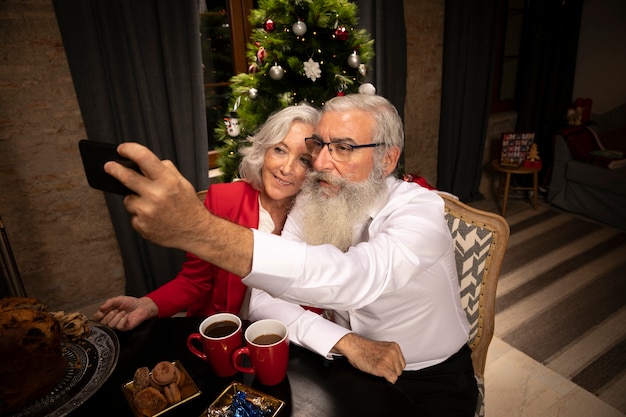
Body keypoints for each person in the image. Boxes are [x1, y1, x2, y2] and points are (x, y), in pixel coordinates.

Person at [105, 94, 478, 416]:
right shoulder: (316, 201)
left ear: (386, 159)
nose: (318, 164)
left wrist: (199, 230)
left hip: (432, 376)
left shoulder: (420, 211)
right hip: (347, 363)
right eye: (321, 146)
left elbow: (355, 279)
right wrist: (345, 342)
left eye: (343, 148)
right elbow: (265, 301)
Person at [93, 104, 320, 331]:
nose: (286, 168)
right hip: (225, 333)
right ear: (264, 151)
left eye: (304, 160)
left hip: (289, 337)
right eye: (280, 150)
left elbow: (316, 296)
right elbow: (195, 281)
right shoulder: (224, 199)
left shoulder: (318, 220)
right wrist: (147, 305)